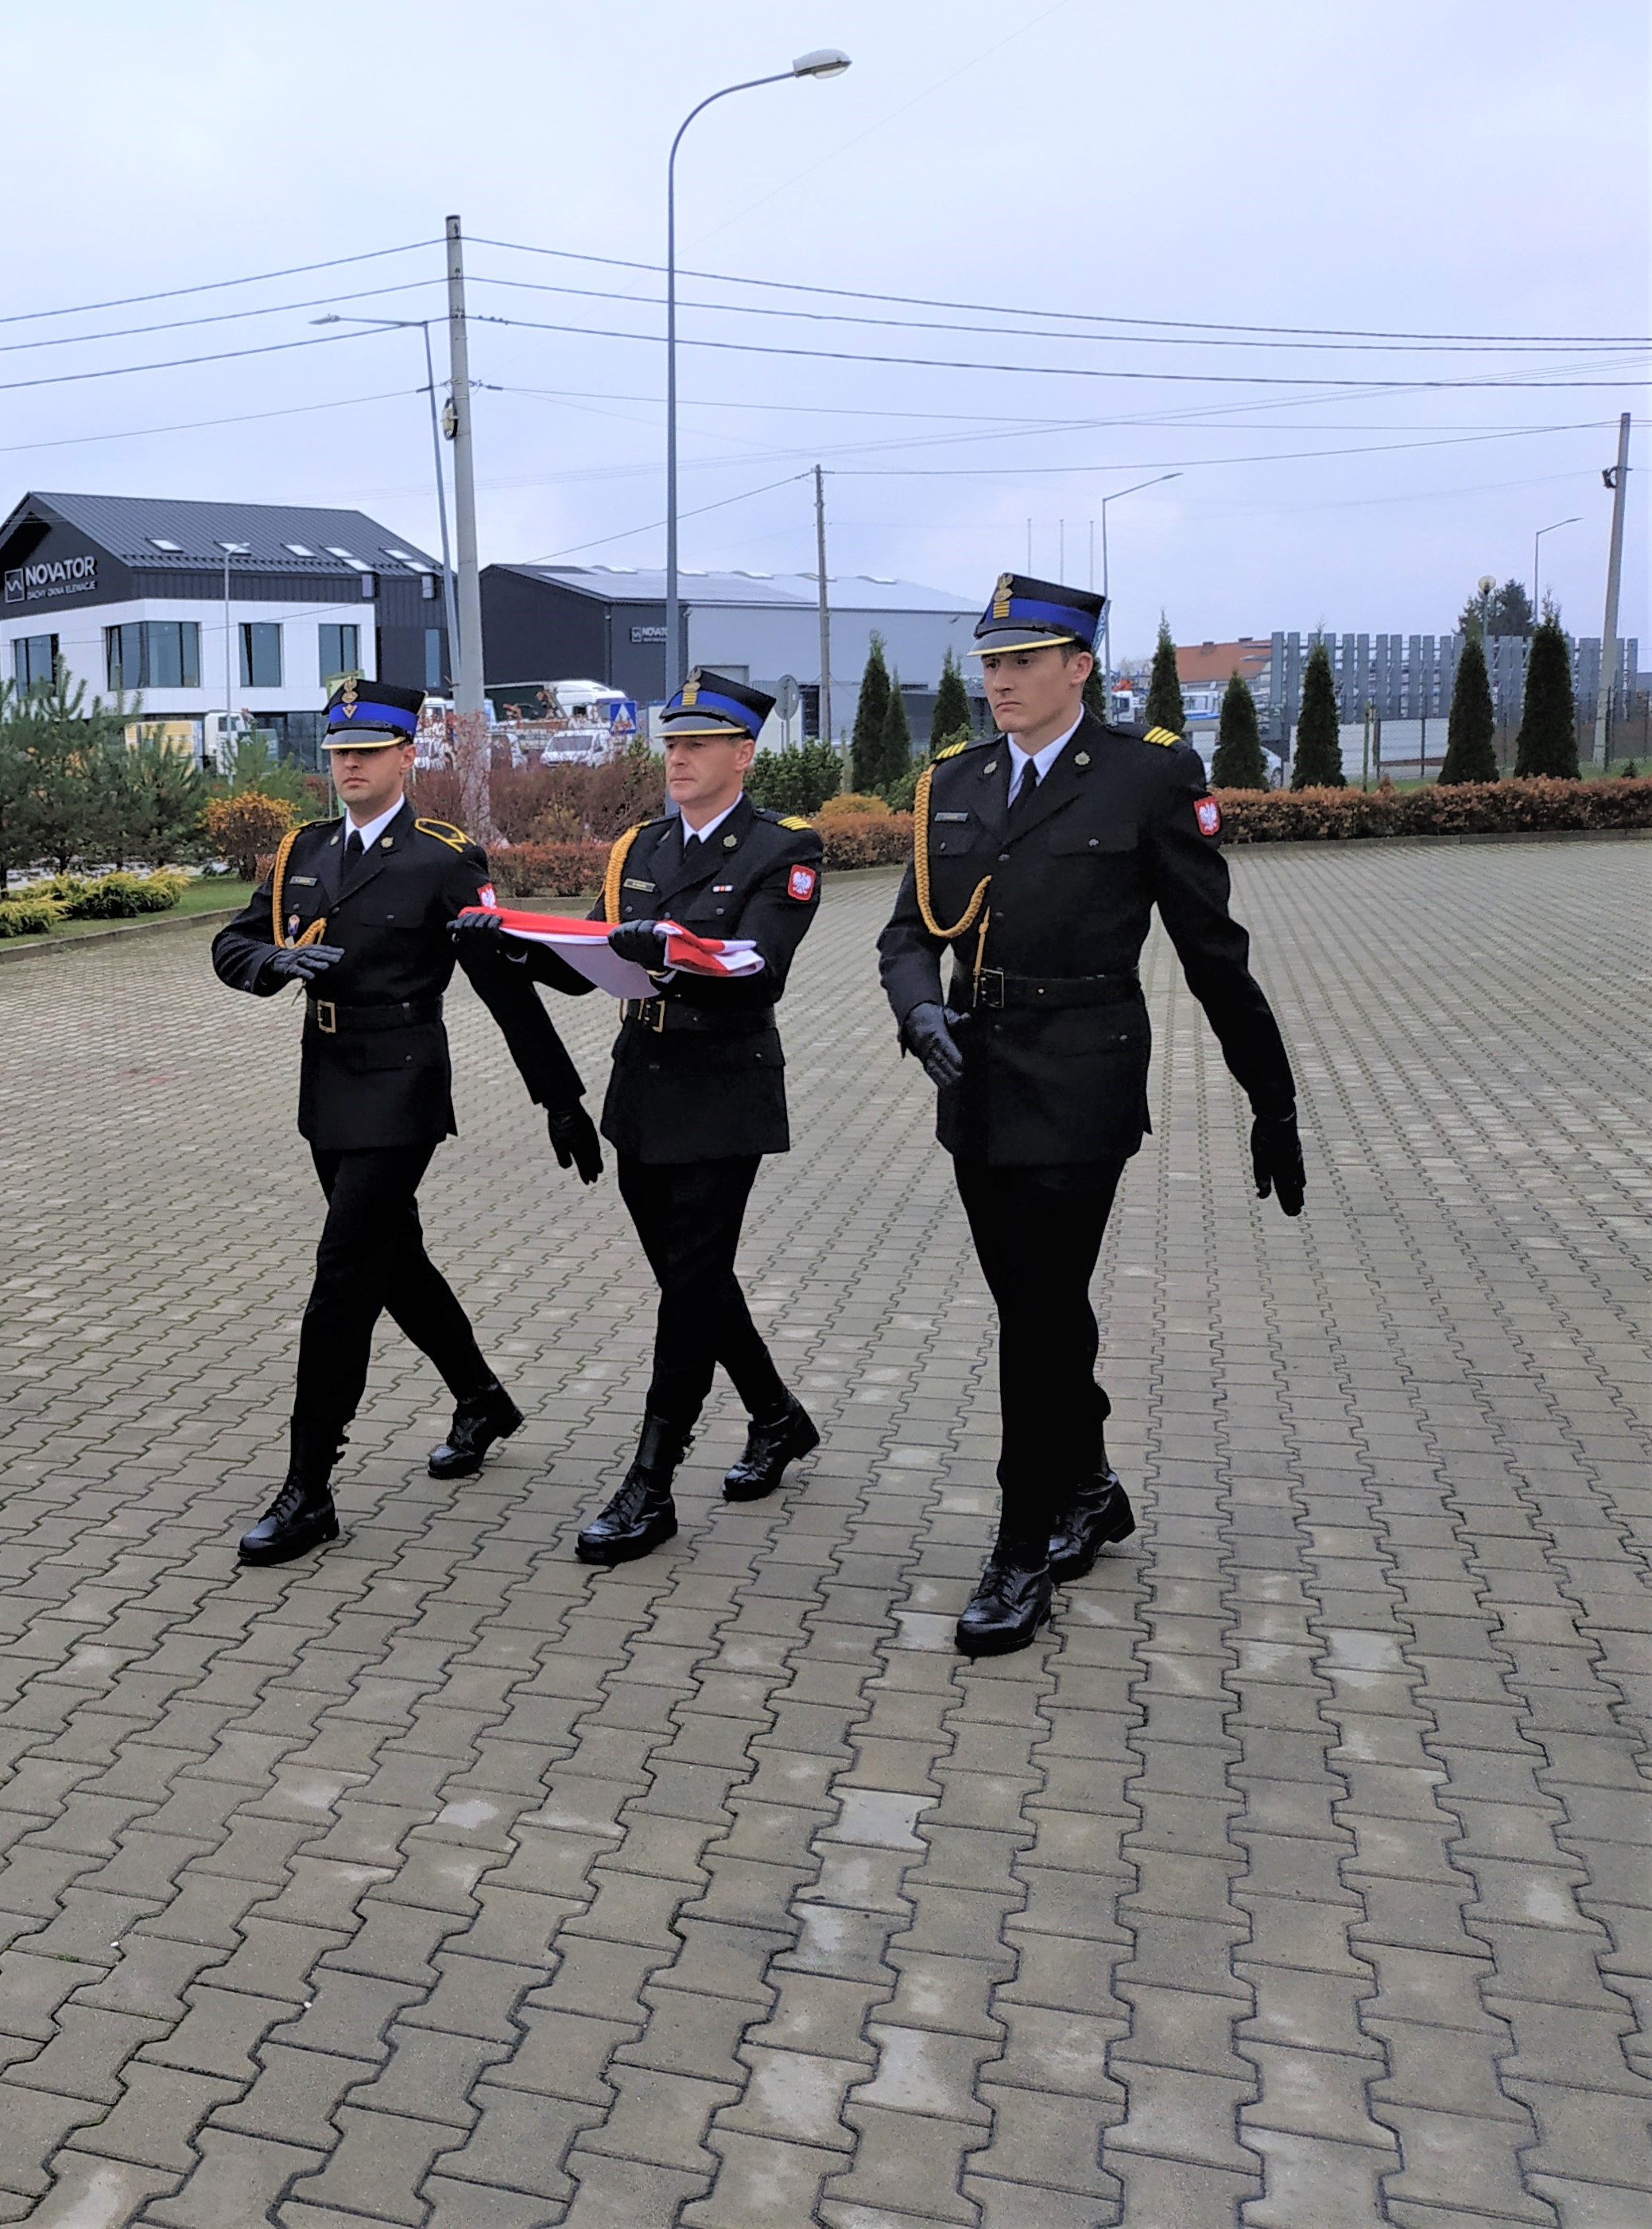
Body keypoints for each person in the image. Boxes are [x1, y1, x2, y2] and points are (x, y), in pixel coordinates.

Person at [878, 574, 1307, 1656]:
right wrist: (917, 1009)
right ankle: (1092, 1486)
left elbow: (1213, 953)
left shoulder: (1144, 777)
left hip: (1080, 1080)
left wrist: (1272, 1099)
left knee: (1032, 1317)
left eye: (1023, 661)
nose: (1000, 681)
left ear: (1078, 667)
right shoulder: (953, 782)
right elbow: (906, 934)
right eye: (991, 663)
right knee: (1040, 1307)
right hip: (973, 1077)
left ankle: (1021, 1546)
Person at [211, 677, 601, 1567]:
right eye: (338, 752)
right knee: (395, 1261)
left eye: (366, 752)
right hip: (326, 1081)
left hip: (402, 1087)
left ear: (404, 756)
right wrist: (270, 962)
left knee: (342, 1275)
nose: (348, 766)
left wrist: (558, 1096)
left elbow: (503, 983)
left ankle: (309, 1488)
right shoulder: (305, 848)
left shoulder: (441, 858)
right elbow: (232, 941)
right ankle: (481, 1398)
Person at [460, 677, 827, 1565]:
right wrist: (513, 943)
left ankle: (651, 1482)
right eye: (672, 744)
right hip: (643, 1087)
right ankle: (777, 1416)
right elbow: (585, 962)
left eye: (698, 744)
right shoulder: (641, 847)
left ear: (743, 754)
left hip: (723, 1089)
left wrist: (668, 953)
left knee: (689, 1285)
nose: (678, 758)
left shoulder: (782, 847)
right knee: (691, 1278)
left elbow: (760, 964)